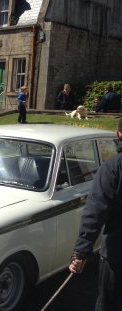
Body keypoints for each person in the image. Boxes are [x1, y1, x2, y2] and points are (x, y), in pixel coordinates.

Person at [69, 118, 122, 311]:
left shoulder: (113, 168)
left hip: (117, 254)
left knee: (108, 304)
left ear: (118, 136)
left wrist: (80, 253)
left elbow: (95, 212)